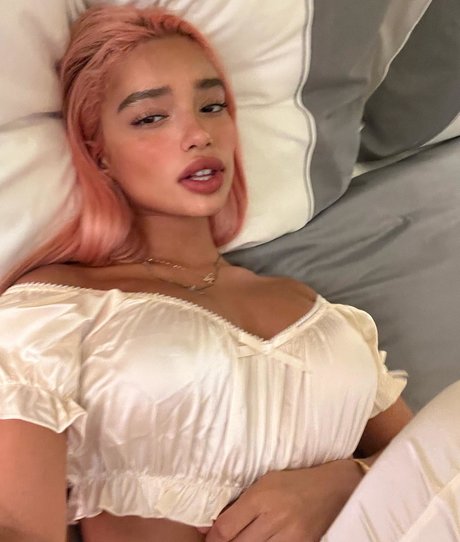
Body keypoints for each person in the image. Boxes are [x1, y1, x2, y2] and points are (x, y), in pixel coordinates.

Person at [0, 5, 416, 542]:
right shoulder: (51, 313)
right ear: (98, 151)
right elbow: (17, 526)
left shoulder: (321, 313)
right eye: (150, 117)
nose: (198, 133)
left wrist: (347, 481)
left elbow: (432, 460)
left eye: (212, 106)